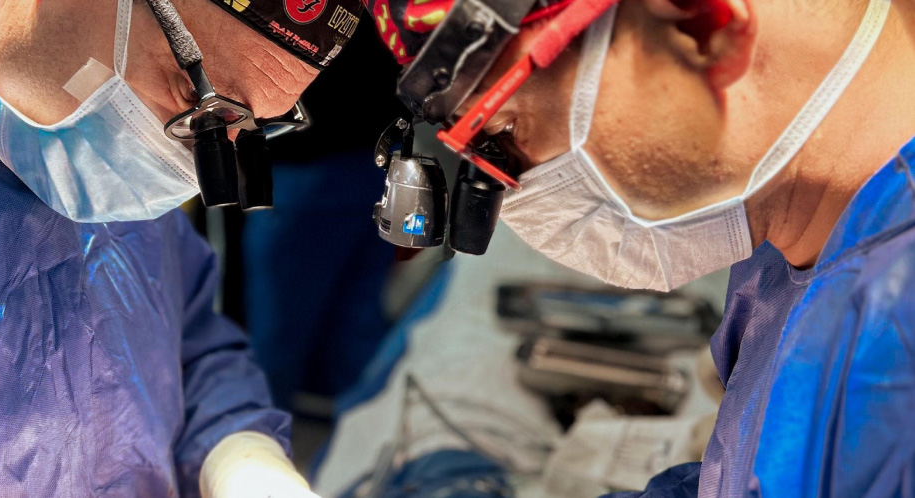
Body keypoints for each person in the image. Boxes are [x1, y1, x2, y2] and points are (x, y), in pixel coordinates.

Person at [365, 0, 915, 496]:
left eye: (504, 133)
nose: (514, 196)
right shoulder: (789, 248)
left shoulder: (896, 335)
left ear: (701, 25)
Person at [0, 0, 361, 495]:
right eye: (199, 100)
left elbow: (188, 343)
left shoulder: (91, 157)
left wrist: (239, 453)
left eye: (249, 127)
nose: (196, 164)